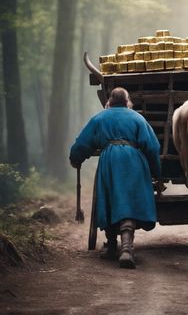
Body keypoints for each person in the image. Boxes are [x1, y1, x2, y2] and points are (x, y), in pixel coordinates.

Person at [69, 87, 161, 269]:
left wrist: (75, 158)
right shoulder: (137, 118)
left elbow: (83, 142)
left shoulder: (100, 118)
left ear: (109, 101)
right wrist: (156, 172)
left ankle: (112, 247)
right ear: (127, 101)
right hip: (134, 160)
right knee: (129, 200)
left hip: (109, 161)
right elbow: (152, 147)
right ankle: (126, 249)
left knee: (110, 200)